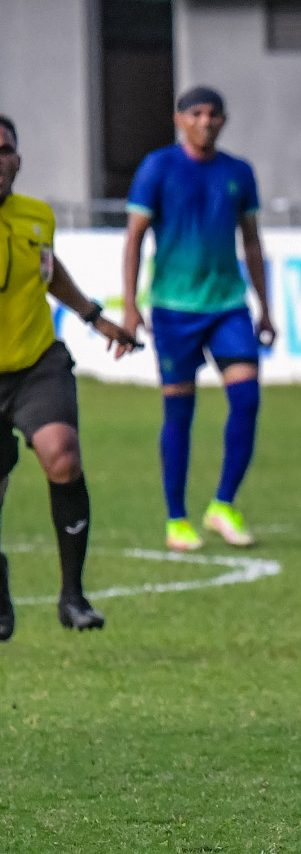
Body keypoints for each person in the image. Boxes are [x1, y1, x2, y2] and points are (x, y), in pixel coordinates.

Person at [0, 114, 141, 638]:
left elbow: (47, 268)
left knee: (62, 456)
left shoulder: (36, 216)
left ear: (17, 158)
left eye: (6, 150)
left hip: (37, 363)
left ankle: (73, 595)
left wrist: (92, 315)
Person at [122, 86, 275, 552]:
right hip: (173, 310)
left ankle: (223, 504)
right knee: (179, 413)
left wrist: (265, 306)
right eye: (197, 113)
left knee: (247, 401)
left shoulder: (238, 172)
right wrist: (130, 306)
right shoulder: (158, 167)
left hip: (228, 304)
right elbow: (134, 239)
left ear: (224, 121)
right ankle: (176, 519)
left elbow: (250, 242)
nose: (206, 121)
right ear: (180, 119)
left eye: (214, 114)